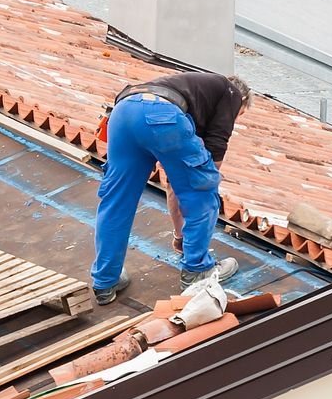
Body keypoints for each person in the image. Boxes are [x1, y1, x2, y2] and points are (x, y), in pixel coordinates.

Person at [90, 72, 252, 304]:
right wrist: (205, 178)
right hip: (160, 115)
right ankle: (197, 271)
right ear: (242, 102)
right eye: (239, 116)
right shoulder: (232, 92)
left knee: (116, 201)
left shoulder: (193, 89)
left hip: (123, 112)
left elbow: (173, 184)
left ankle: (105, 281)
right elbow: (213, 153)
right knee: (204, 192)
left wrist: (179, 235)